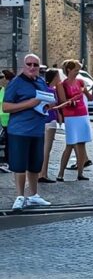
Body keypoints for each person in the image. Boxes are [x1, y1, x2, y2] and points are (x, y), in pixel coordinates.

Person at [2, 54, 53, 210]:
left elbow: (45, 100)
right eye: (29, 64)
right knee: (19, 165)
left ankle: (33, 195)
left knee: (35, 164)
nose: (32, 67)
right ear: (24, 66)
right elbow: (6, 107)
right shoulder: (15, 83)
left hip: (37, 130)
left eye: (35, 65)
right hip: (19, 130)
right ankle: (19, 196)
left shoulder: (40, 81)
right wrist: (29, 103)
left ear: (39, 67)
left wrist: (46, 106)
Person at [56, 59, 93, 181]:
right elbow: (63, 101)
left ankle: (80, 173)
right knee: (70, 144)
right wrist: (74, 99)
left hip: (82, 114)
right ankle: (60, 173)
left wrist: (91, 89)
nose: (78, 72)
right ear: (69, 70)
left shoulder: (81, 82)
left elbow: (90, 98)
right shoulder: (62, 84)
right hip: (71, 116)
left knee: (82, 143)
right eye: (76, 69)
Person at [38, 69, 68, 183]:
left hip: (42, 120)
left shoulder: (43, 89)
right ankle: (43, 174)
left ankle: (41, 172)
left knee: (42, 148)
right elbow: (53, 105)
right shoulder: (51, 90)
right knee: (47, 149)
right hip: (50, 120)